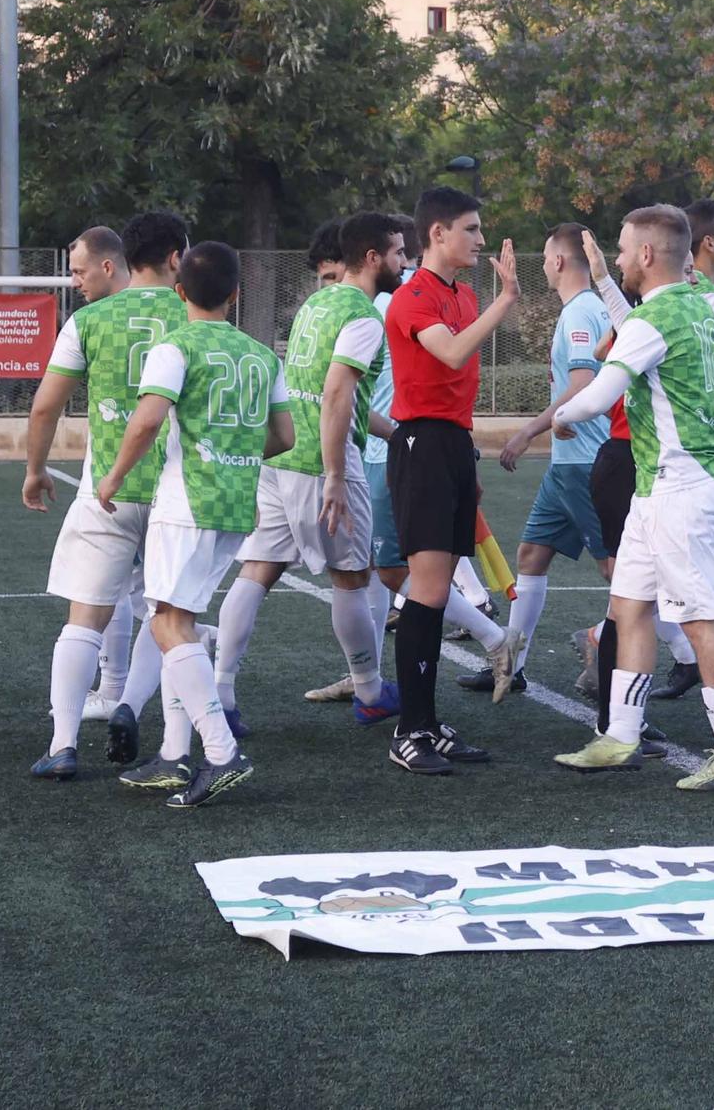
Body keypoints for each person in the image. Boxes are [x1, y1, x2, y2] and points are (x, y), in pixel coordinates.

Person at [549, 205, 714, 790]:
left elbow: (600, 393)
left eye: (620, 249)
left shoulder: (653, 319)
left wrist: (560, 418)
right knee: (630, 607)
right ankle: (621, 734)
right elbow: (641, 327)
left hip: (680, 487)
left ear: (646, 255)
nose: (616, 257)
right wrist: (602, 279)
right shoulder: (694, 301)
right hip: (661, 484)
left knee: (698, 618)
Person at [207, 213, 422, 738]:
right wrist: (332, 474)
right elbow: (335, 395)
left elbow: (325, 393)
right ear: (372, 257)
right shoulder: (365, 316)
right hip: (320, 462)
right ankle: (370, 692)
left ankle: (220, 695)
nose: (403, 263)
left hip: (278, 457)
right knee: (353, 576)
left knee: (257, 571)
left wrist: (397, 436)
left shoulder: (317, 302)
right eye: (397, 253)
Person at [100, 241, 294, 808]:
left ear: (179, 290)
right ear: (236, 294)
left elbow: (146, 421)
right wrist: (236, 456)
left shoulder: (175, 347)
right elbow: (284, 438)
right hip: (237, 504)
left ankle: (221, 751)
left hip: (187, 504)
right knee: (177, 622)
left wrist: (112, 478)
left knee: (165, 625)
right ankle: (171, 755)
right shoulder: (262, 356)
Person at [22, 214, 189, 780]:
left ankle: (63, 744)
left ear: (121, 260)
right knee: (168, 615)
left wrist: (36, 469)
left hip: (107, 490)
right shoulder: (197, 316)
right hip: (179, 493)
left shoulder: (88, 320)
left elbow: (45, 405)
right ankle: (130, 707)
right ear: (175, 258)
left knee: (83, 619)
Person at [380, 185, 521, 775]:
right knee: (429, 590)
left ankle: (426, 724)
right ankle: (408, 730)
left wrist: (469, 463)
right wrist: (507, 298)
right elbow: (455, 354)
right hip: (421, 446)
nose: (481, 239)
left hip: (454, 446)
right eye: (471, 228)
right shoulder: (411, 299)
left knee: (440, 595)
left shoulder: (463, 294)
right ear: (437, 234)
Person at [486, 223, 617, 701]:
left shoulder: (582, 312)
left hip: (584, 463)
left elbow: (582, 382)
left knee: (618, 571)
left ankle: (621, 651)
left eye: (544, 256)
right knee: (531, 556)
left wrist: (527, 430)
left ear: (559, 262)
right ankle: (511, 664)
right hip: (567, 464)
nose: (542, 263)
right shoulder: (581, 310)